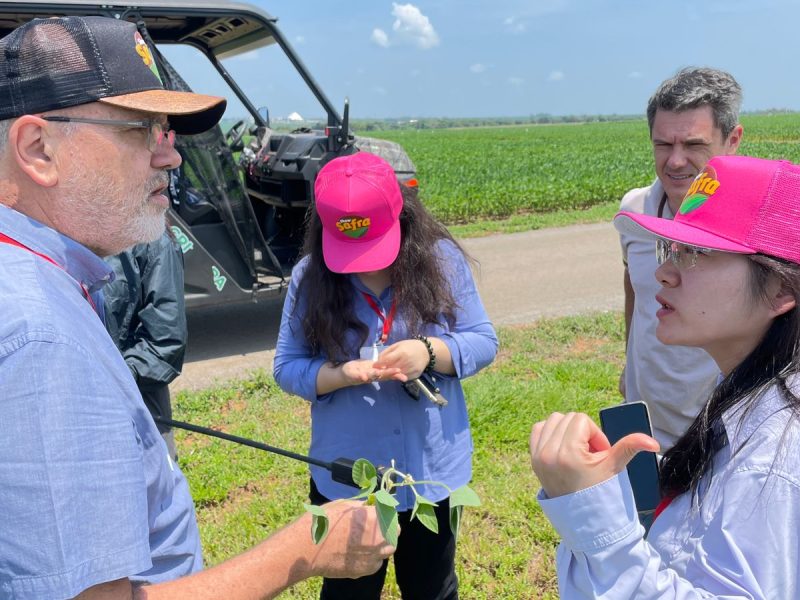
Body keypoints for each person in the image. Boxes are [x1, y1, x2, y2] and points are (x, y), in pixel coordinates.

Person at [0, 16, 394, 600]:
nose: (171, 158)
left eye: (167, 131)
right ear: (38, 148)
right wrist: (302, 552)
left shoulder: (36, 283)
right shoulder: (43, 341)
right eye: (141, 131)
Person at [531, 155, 800, 598]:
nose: (664, 272)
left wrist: (595, 518)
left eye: (699, 253)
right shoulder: (747, 389)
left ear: (782, 290)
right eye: (673, 248)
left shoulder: (773, 457)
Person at [273, 151, 498, 600]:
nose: (362, 264)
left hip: (431, 473)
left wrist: (429, 352)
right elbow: (287, 367)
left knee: (431, 585)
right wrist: (341, 374)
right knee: (348, 591)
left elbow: (483, 341)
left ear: (403, 216)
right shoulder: (309, 277)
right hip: (349, 477)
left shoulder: (443, 261)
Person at [619, 67, 744, 449]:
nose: (675, 161)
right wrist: (628, 364)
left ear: (732, 139)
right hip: (645, 419)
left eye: (693, 145)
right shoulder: (635, 210)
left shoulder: (756, 225)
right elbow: (634, 290)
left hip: (723, 429)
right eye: (663, 145)